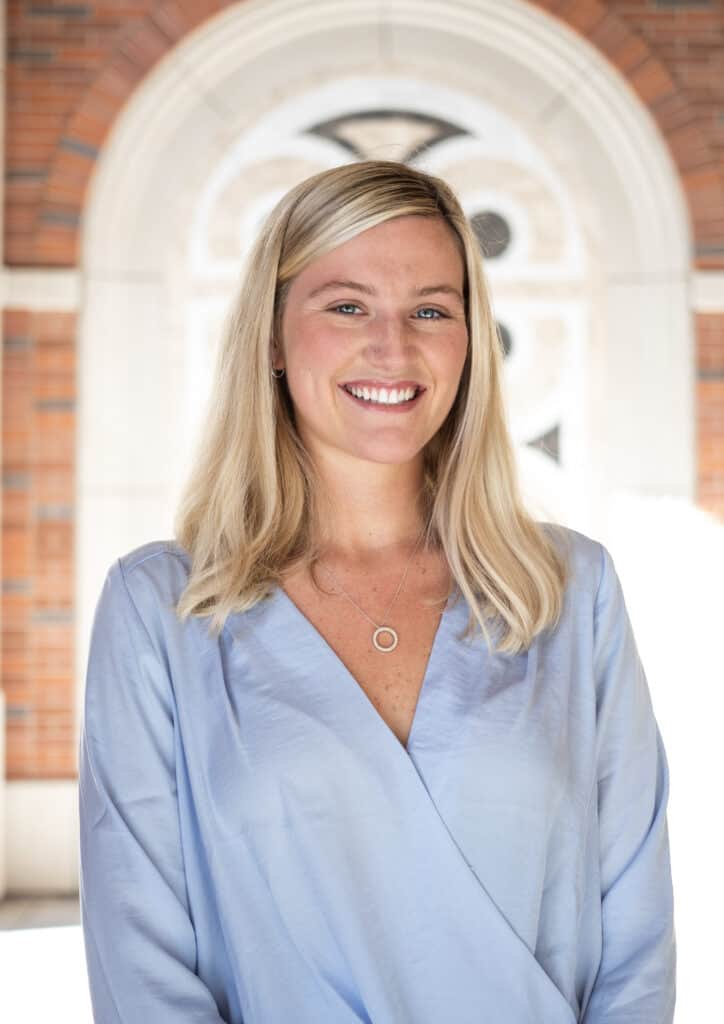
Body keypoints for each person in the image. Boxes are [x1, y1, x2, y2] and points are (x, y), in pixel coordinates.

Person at [78, 160, 676, 1023]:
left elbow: (637, 930)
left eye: (431, 309)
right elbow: (140, 958)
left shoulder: (569, 592)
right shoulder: (162, 610)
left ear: (470, 341)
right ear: (274, 339)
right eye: (347, 305)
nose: (393, 347)